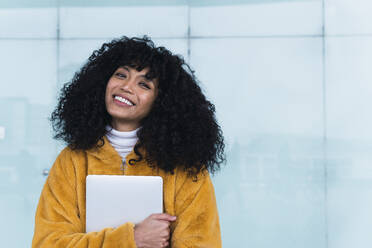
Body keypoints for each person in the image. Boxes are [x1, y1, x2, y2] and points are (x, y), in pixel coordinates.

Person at [31, 36, 225, 248]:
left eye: (144, 84)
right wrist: (131, 239)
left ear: (161, 101)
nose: (126, 86)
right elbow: (47, 243)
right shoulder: (72, 161)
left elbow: (203, 243)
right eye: (121, 75)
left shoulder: (186, 166)